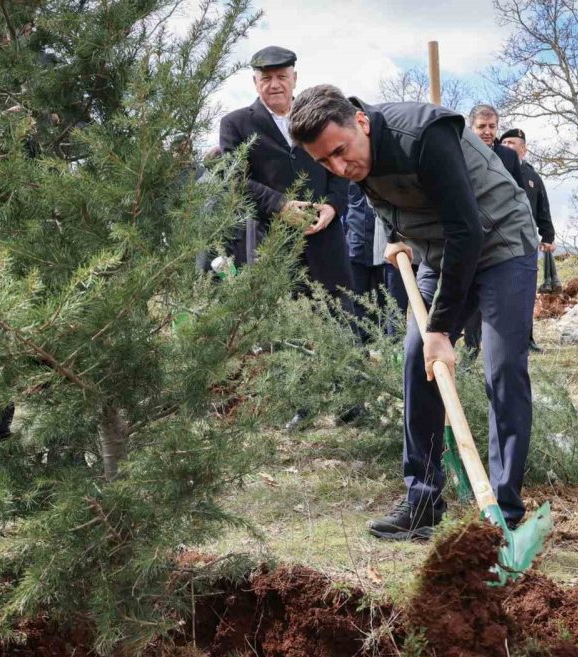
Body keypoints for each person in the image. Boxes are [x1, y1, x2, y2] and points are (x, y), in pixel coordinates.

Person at [290, 84, 539, 540]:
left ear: (361, 121)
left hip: (500, 241)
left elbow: (467, 230)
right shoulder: (354, 156)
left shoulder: (424, 134)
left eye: (342, 152)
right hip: (437, 251)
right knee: (416, 361)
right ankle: (422, 502)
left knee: (502, 367)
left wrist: (441, 327)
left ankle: (505, 510)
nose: (340, 169)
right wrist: (395, 235)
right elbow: (387, 197)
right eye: (326, 163)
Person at [218, 46, 353, 300]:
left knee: (340, 326)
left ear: (295, 79)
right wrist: (281, 205)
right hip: (271, 247)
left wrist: (333, 205)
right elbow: (234, 181)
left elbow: (341, 165)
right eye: (266, 78)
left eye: (282, 77)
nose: (274, 85)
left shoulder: (322, 117)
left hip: (326, 249)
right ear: (255, 82)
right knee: (281, 333)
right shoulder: (235, 124)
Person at [462, 105, 527, 355]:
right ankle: (470, 348)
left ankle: (498, 349)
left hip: (503, 234)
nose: (488, 132)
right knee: (468, 292)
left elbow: (519, 193)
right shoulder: (460, 152)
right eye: (482, 127)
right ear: (471, 127)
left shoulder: (508, 157)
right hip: (471, 230)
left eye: (492, 126)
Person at [501, 127, 556, 353]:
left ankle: (527, 338)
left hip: (526, 241)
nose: (506, 147)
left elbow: (543, 208)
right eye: (503, 143)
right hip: (498, 239)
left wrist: (548, 235)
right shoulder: (493, 169)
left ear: (523, 149)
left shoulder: (533, 177)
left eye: (511, 143)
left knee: (525, 291)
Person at [343, 182, 409, 340]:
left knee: (394, 307)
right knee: (356, 306)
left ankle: (395, 359)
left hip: (391, 251)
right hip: (355, 245)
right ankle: (360, 355)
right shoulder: (344, 168)